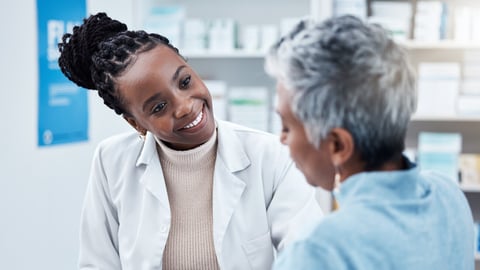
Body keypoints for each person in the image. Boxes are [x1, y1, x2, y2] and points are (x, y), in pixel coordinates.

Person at [58, 12, 322, 270]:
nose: (184, 107)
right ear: (136, 123)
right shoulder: (111, 162)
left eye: (185, 81)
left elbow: (309, 255)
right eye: (159, 106)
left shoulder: (270, 155)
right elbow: (97, 261)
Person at [265, 15, 475, 270]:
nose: (282, 138)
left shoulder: (316, 253)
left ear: (338, 146)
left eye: (287, 126)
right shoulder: (448, 195)